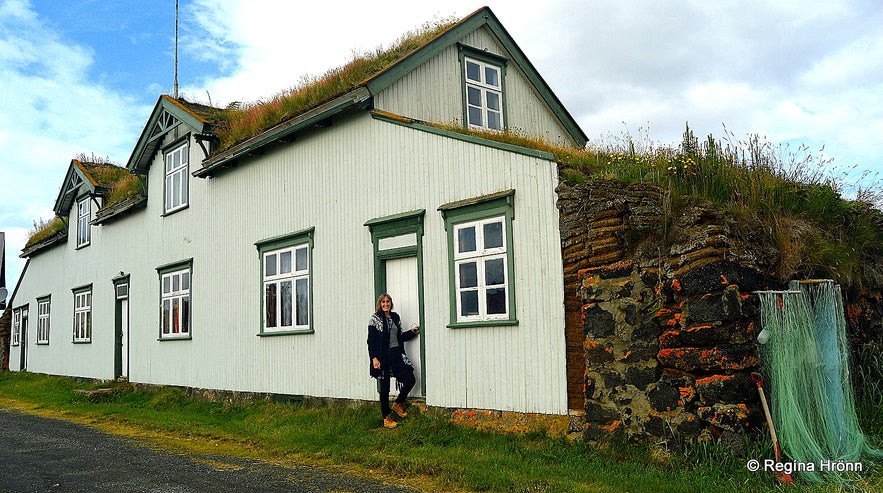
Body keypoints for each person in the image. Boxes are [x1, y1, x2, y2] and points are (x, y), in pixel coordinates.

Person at [367, 293, 419, 428]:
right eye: (383, 302)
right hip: (382, 357)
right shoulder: (375, 319)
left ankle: (398, 403)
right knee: (385, 389)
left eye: (388, 301)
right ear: (380, 304)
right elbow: (371, 341)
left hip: (396, 354)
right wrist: (374, 358)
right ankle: (386, 418)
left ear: (391, 303)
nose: (386, 304)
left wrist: (412, 332)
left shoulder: (395, 317)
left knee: (410, 379)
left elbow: (399, 337)